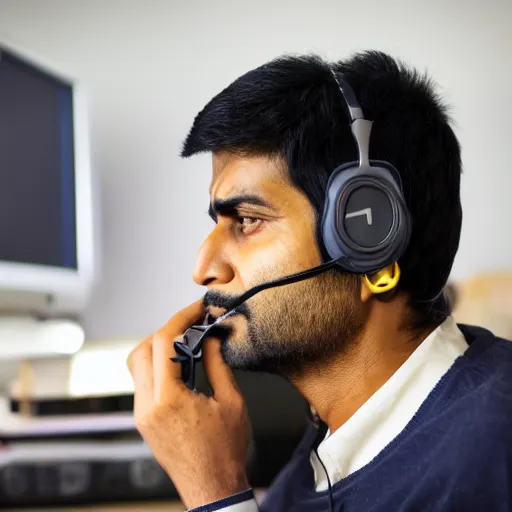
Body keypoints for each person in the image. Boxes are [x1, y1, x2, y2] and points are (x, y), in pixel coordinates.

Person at [127, 51, 512, 511]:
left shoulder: (492, 451)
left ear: (368, 240)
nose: (204, 267)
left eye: (248, 220)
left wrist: (215, 491)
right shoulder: (331, 450)